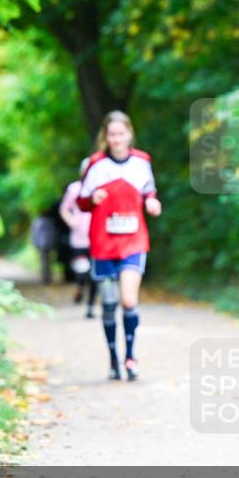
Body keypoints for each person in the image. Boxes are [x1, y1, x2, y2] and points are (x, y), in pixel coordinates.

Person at [78, 111, 162, 381]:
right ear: (106, 136)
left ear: (129, 134)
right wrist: (93, 199)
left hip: (133, 240)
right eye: (111, 135)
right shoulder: (95, 164)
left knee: (128, 299)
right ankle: (113, 358)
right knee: (110, 304)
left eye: (121, 134)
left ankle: (131, 356)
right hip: (103, 242)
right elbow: (81, 201)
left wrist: (151, 202)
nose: (116, 139)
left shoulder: (141, 162)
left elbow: (149, 190)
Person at [60, 158, 97, 318]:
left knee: (95, 275)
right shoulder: (74, 188)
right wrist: (72, 222)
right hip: (79, 239)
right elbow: (64, 209)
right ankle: (80, 287)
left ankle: (90, 307)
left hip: (97, 239)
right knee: (82, 272)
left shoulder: (99, 189)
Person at [30, 207, 56, 285]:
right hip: (48, 243)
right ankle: (48, 277)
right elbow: (53, 233)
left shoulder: (36, 222)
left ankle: (45, 277)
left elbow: (34, 234)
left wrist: (35, 243)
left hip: (41, 244)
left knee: (44, 261)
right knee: (48, 261)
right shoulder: (50, 222)